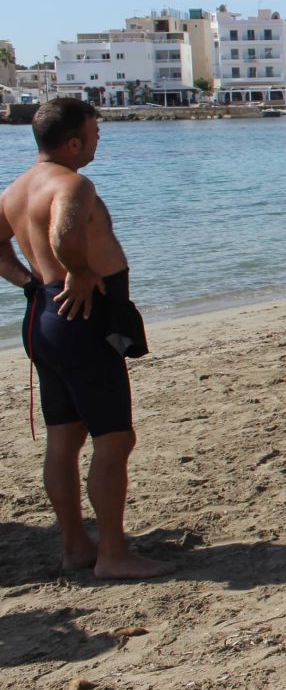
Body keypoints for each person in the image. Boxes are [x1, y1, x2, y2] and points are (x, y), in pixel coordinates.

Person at [0, 98, 172, 579]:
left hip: (44, 318)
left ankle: (76, 545)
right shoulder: (72, 183)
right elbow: (64, 233)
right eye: (95, 134)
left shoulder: (15, 189)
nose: (98, 141)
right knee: (115, 438)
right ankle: (114, 554)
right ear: (73, 141)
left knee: (64, 435)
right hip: (81, 319)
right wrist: (75, 270)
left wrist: (28, 281)